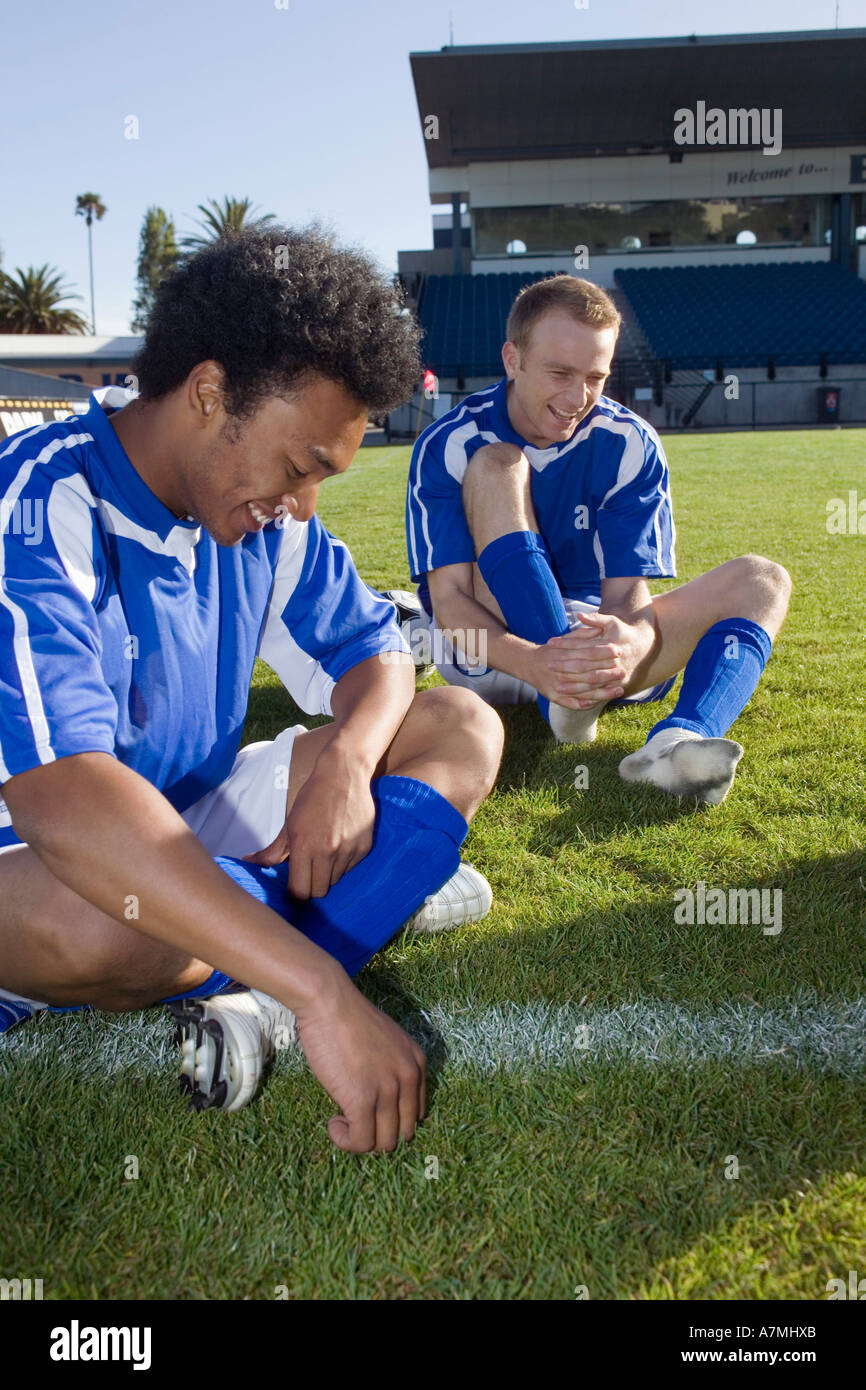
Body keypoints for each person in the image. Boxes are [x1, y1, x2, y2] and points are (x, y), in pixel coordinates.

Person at [0, 226, 503, 1153]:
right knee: (99, 921)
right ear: (208, 393)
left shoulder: (262, 520)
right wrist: (322, 990)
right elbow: (65, 801)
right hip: (37, 872)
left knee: (459, 722)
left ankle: (259, 978)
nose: (305, 502)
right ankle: (342, 923)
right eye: (302, 465)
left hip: (183, 833)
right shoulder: (36, 504)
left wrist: (348, 765)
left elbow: (379, 652)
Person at [404, 275, 791, 806]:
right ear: (512, 359)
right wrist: (540, 663)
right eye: (560, 372)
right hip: (498, 651)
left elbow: (626, 596)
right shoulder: (450, 441)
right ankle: (564, 697)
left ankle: (678, 742)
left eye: (595, 377)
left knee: (763, 579)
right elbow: (448, 602)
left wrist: (629, 642)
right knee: (498, 463)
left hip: (603, 657)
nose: (577, 397)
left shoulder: (629, 442)